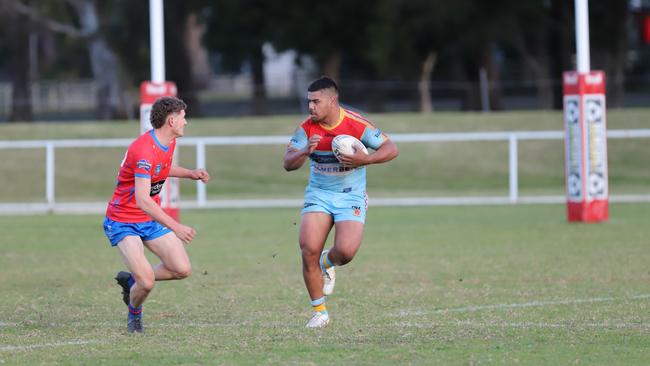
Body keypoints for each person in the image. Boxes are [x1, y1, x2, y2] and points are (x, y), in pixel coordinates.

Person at [283, 76, 399, 328]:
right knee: (307, 250)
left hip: (351, 195)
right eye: (309, 102)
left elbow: (391, 148)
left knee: (345, 252)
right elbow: (287, 163)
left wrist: (364, 160)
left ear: (332, 100)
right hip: (319, 194)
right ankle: (319, 312)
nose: (311, 107)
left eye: (316, 101)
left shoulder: (356, 125)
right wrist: (304, 152)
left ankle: (327, 262)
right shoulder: (306, 128)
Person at [102, 96, 210, 333]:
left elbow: (161, 167)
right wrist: (176, 226)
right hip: (123, 221)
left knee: (181, 269)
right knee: (147, 282)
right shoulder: (143, 150)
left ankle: (133, 280)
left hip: (147, 221)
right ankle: (134, 314)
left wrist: (190, 173)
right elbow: (143, 201)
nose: (186, 122)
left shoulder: (167, 142)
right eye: (183, 117)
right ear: (171, 121)